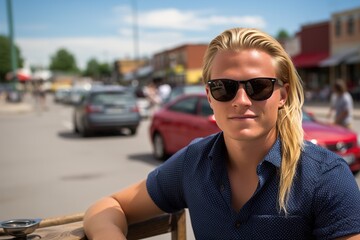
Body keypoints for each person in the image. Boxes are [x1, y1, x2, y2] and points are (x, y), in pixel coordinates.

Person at [83, 28, 360, 239]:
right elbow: (107, 207)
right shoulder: (193, 162)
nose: (241, 99)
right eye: (223, 88)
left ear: (283, 95)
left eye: (259, 86)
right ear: (210, 97)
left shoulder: (326, 178)